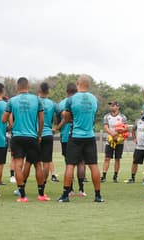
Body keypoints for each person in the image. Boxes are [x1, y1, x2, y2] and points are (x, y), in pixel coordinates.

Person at [57, 74, 104, 202]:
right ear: (88, 85)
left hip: (76, 136)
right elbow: (93, 116)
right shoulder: (94, 99)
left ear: (78, 83)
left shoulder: (71, 99)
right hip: (89, 135)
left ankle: (66, 195)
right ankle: (98, 195)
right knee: (93, 165)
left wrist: (70, 118)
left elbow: (66, 118)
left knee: (70, 165)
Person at [2, 77, 47, 202]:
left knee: (18, 165)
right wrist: (39, 134)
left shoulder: (12, 101)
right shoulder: (37, 99)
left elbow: (4, 119)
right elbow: (42, 120)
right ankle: (41, 194)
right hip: (32, 137)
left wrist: (11, 125)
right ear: (28, 86)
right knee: (38, 165)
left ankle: (22, 196)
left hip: (17, 137)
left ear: (17, 87)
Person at [55, 82, 87, 196]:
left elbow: (59, 122)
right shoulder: (82, 101)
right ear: (76, 90)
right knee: (81, 163)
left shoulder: (61, 104)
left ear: (66, 91)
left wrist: (56, 129)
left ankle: (70, 190)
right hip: (80, 135)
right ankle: (82, 189)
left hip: (65, 137)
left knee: (69, 164)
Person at [101, 101, 129, 183]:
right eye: (110, 105)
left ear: (117, 107)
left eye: (113, 105)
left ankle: (115, 176)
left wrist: (117, 133)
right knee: (107, 158)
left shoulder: (122, 117)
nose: (111, 107)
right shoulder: (107, 116)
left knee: (117, 159)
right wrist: (112, 134)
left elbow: (126, 128)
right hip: (110, 140)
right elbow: (106, 128)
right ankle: (104, 176)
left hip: (119, 140)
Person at [38, 82, 57, 185]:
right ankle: (43, 185)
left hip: (36, 135)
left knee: (31, 162)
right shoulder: (52, 103)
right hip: (48, 134)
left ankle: (21, 187)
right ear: (48, 91)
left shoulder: (35, 101)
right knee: (46, 162)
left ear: (39, 90)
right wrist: (57, 128)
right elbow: (64, 114)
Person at [126, 112, 144, 183]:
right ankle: (132, 177)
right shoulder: (138, 121)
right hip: (139, 147)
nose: (143, 115)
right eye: (141, 114)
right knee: (135, 162)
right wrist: (134, 138)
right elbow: (133, 130)